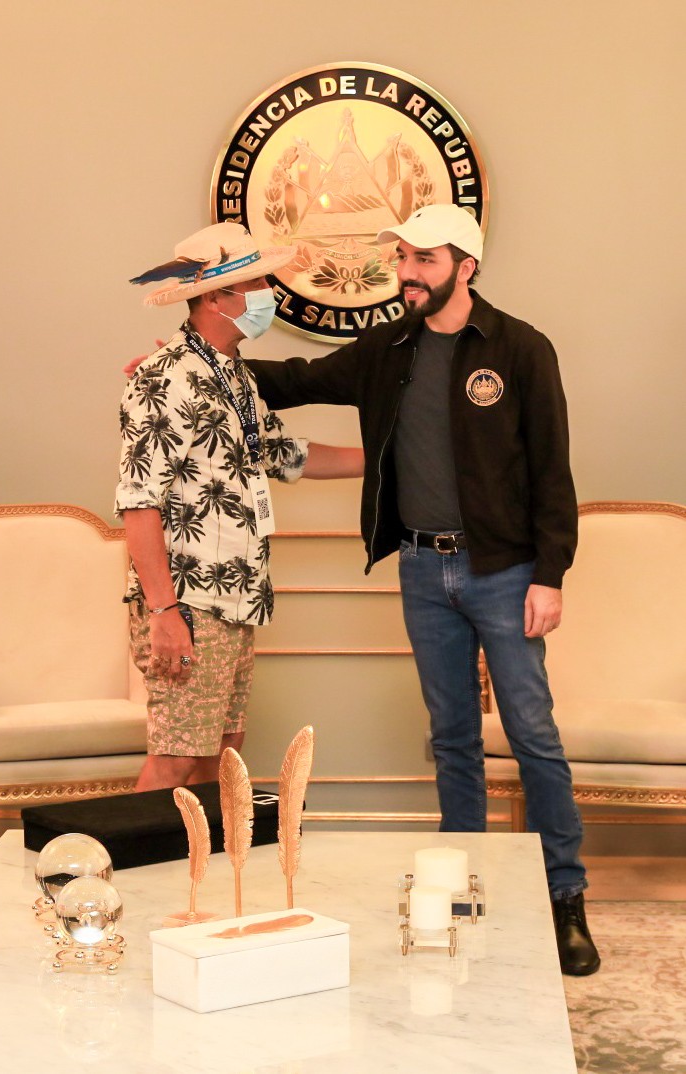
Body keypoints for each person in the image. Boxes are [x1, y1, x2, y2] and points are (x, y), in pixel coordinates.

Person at [246, 203, 600, 977]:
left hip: (505, 571)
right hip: (421, 567)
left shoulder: (521, 349)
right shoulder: (388, 348)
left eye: (424, 260)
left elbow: (553, 471)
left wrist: (550, 575)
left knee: (532, 734)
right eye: (402, 259)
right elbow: (297, 380)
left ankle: (564, 897)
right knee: (452, 736)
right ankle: (461, 887)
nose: (406, 273)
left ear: (466, 267)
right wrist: (204, 366)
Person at [116, 221, 362, 794]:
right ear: (214, 297)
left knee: (220, 755)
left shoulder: (235, 377)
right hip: (188, 600)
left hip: (236, 597)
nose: (267, 294)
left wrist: (390, 459)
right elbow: (138, 503)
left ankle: (205, 857)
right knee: (177, 756)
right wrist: (164, 613)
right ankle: (117, 856)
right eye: (255, 284)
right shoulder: (164, 377)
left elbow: (282, 453)